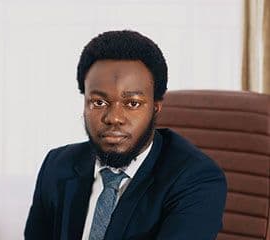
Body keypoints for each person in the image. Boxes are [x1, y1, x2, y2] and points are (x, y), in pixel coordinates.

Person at [24, 30, 227, 240]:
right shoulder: (57, 165)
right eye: (99, 103)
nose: (114, 118)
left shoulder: (197, 180)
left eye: (133, 104)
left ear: (156, 108)